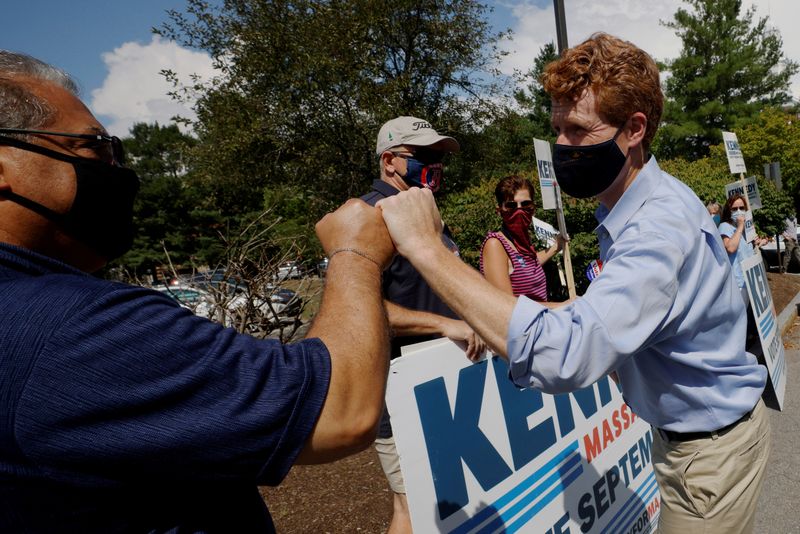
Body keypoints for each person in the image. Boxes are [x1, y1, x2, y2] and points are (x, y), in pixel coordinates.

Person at [377, 34, 769, 533]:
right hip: (699, 443)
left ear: (634, 129)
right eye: (557, 128)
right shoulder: (632, 205)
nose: (562, 146)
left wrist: (427, 249)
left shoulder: (655, 228)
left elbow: (569, 355)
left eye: (579, 130)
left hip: (709, 454)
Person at [0, 50, 395, 532]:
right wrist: (356, 254)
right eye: (94, 148)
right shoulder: (73, 328)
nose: (118, 168)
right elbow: (340, 409)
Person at [361, 116, 486, 534]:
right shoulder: (367, 218)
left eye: (438, 157)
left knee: (447, 500)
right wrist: (444, 324)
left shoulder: (426, 216)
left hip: (446, 386)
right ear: (390, 161)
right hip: (398, 394)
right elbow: (359, 311)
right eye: (424, 157)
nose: (435, 166)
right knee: (412, 505)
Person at [480, 175, 565, 301]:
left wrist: (556, 247)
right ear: (499, 210)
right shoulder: (495, 244)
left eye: (525, 204)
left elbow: (528, 265)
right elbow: (505, 306)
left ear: (533, 208)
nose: (519, 210)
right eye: (511, 205)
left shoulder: (522, 242)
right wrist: (560, 307)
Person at [719, 194, 768, 297]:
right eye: (734, 209)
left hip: (750, 280)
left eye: (742, 208)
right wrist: (741, 226)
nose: (739, 211)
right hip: (737, 283)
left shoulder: (747, 230)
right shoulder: (725, 226)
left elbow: (747, 253)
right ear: (729, 211)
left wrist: (756, 244)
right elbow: (730, 248)